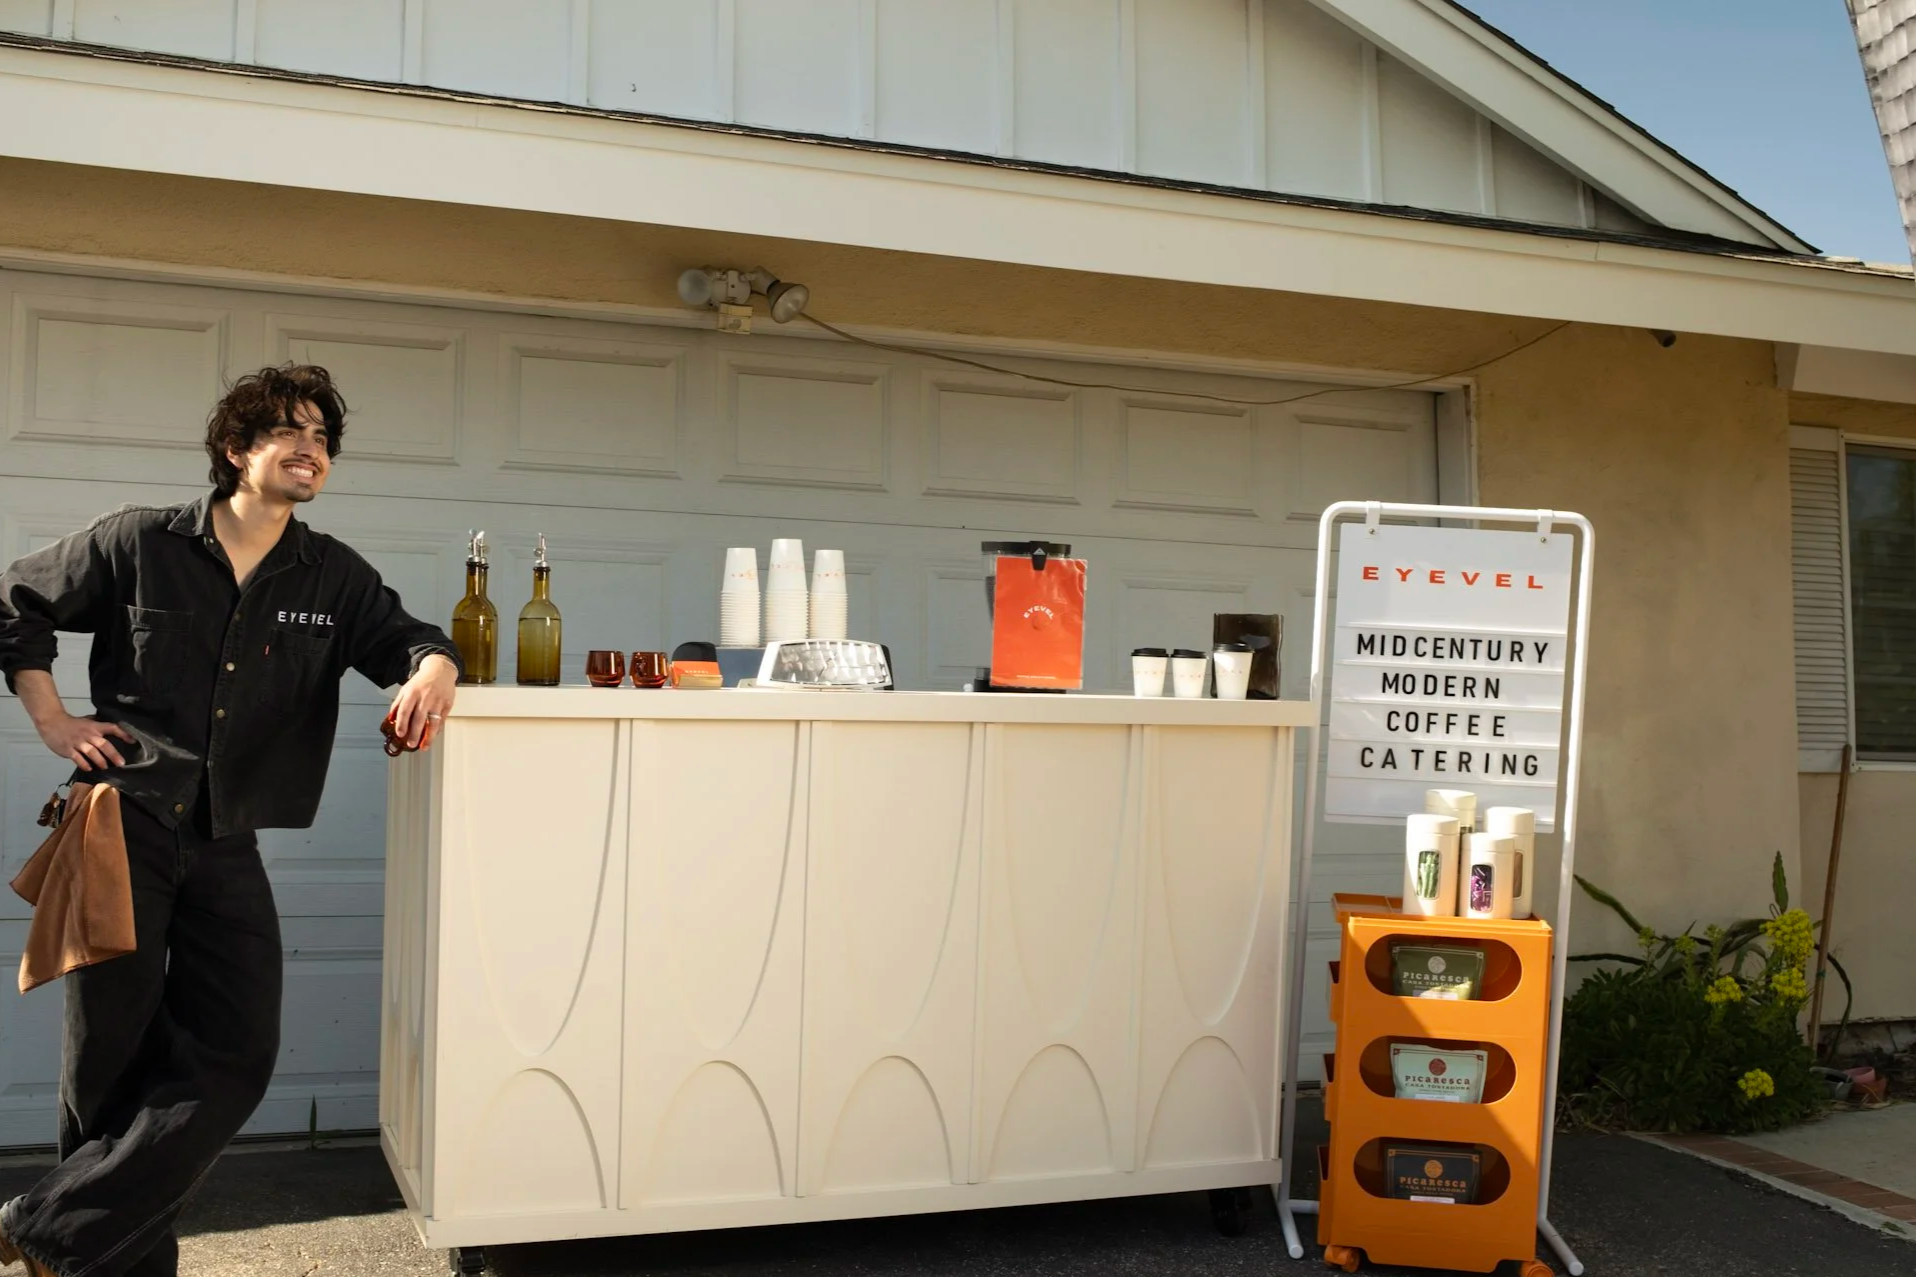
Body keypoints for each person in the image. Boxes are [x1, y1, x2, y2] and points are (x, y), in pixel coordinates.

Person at [0, 364, 461, 1277]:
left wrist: (435, 666)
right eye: (289, 431)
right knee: (111, 1063)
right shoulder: (141, 541)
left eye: (323, 437)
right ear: (235, 450)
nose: (310, 449)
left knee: (239, 1048)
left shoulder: (330, 573)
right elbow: (15, 601)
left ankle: (38, 1224)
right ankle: (97, 1258)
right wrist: (52, 718)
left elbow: (410, 639)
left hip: (225, 838)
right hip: (120, 821)